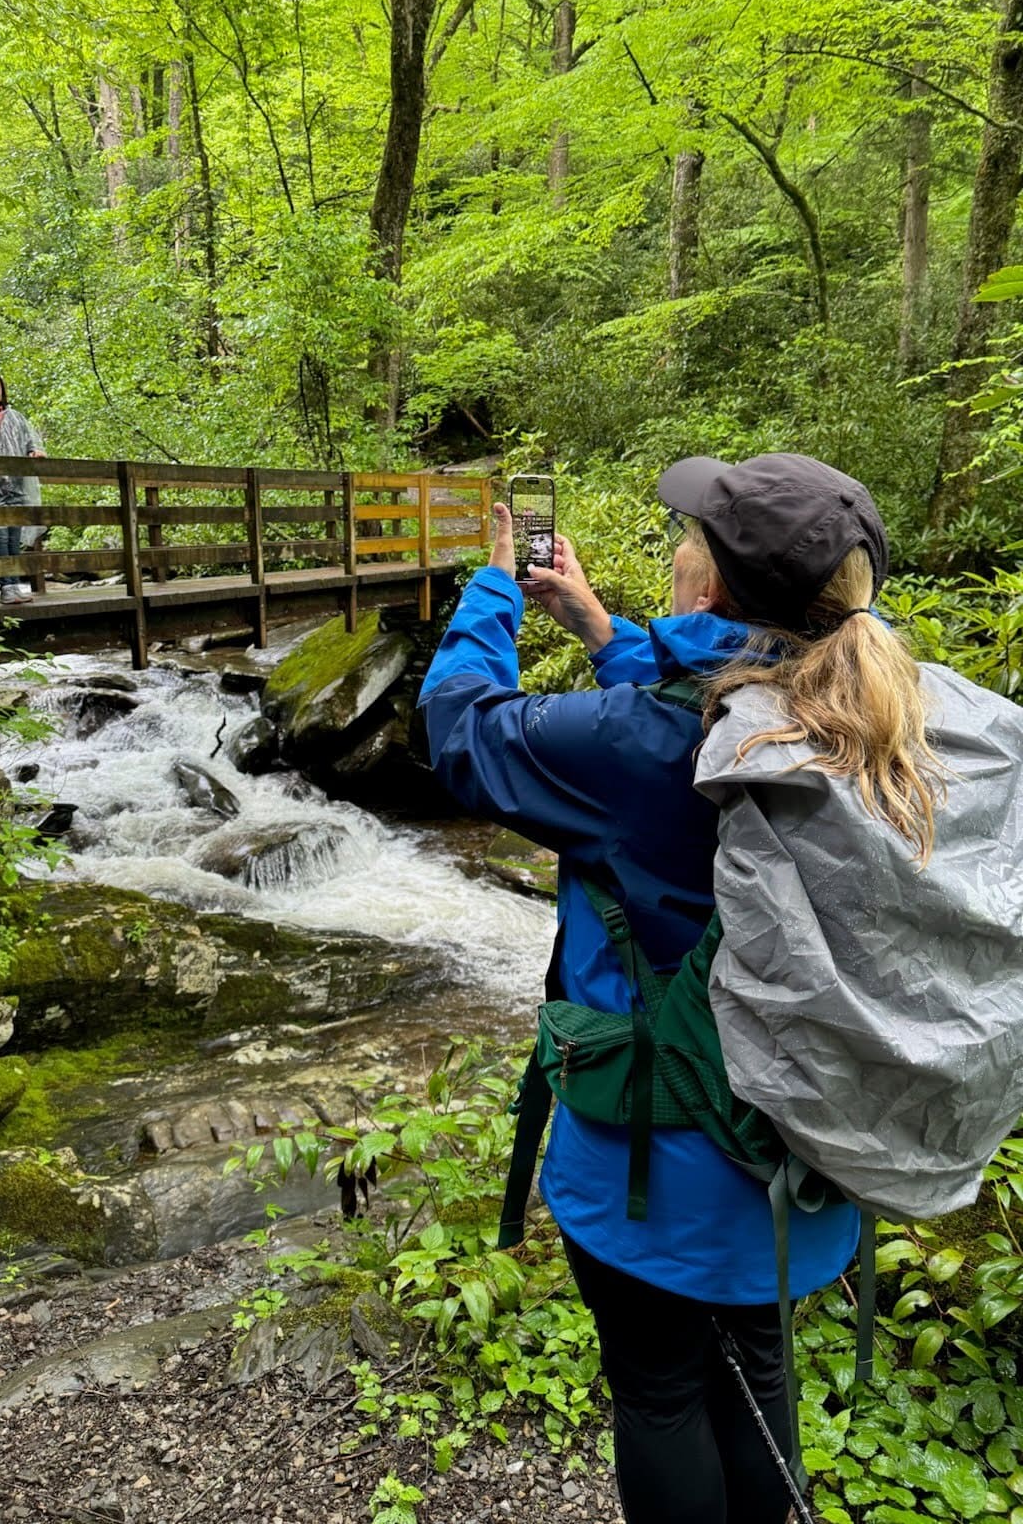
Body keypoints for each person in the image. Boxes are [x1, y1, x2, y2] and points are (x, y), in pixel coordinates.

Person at [419, 452, 932, 1524]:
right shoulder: (876, 709)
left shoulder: (637, 743)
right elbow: (694, 727)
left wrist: (495, 589)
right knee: (757, 1363)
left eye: (687, 538)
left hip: (657, 1169)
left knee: (659, 1394)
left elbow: (464, 731)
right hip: (800, 1151)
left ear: (709, 588)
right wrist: (607, 637)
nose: (675, 548)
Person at [0, 370, 47, 606]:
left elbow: (30, 442)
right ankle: (5, 587)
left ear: (2, 392)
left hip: (17, 485)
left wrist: (35, 452)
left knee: (14, 536)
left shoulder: (15, 417)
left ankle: (15, 585)